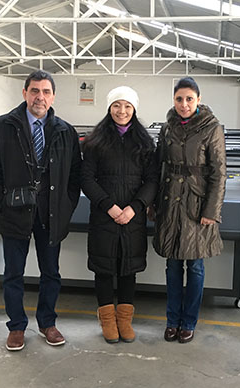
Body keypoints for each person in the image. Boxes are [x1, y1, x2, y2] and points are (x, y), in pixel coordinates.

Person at [0, 70, 82, 351]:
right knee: (14, 273)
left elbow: (75, 175)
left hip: (51, 213)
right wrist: (2, 202)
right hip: (14, 211)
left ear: (53, 97)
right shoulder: (3, 126)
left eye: (46, 92)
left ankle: (47, 323)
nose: (40, 97)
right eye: (34, 90)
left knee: (51, 272)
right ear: (24, 93)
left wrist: (66, 206)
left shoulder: (65, 131)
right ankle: (16, 326)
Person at [152, 77, 227, 344]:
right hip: (170, 203)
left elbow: (219, 172)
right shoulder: (167, 127)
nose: (184, 104)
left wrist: (211, 210)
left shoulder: (211, 128)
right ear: (173, 100)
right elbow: (158, 166)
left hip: (197, 206)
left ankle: (189, 322)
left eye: (189, 99)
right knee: (172, 265)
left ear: (198, 99)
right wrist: (153, 202)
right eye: (179, 99)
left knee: (195, 266)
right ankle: (172, 320)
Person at [81, 86, 158, 343]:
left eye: (127, 106)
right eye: (116, 105)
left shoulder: (145, 144)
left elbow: (152, 180)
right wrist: (109, 206)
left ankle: (124, 321)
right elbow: (87, 178)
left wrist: (135, 207)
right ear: (109, 108)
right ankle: (107, 321)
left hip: (132, 218)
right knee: (103, 269)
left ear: (134, 109)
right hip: (104, 216)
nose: (121, 111)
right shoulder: (95, 142)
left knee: (128, 269)